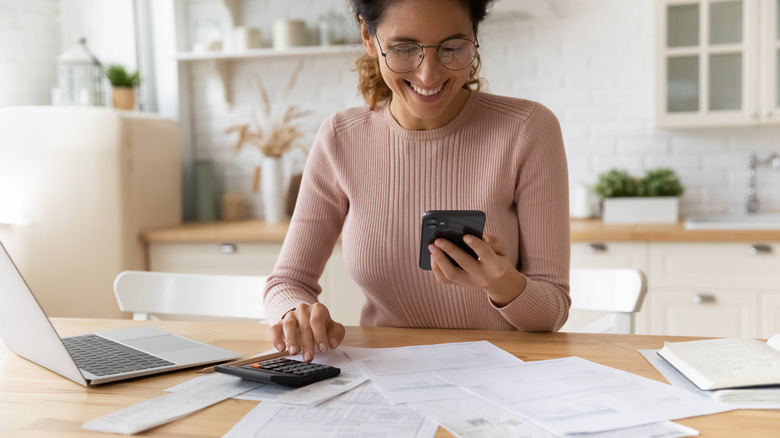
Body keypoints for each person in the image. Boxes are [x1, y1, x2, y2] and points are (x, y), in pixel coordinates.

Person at [263, 0, 571, 362]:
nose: (428, 75)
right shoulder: (340, 138)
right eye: (405, 49)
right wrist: (294, 313)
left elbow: (552, 311)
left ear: (474, 37)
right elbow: (287, 283)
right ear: (368, 36)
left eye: (452, 47)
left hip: (502, 375)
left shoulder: (527, 129)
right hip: (385, 375)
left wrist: (502, 282)